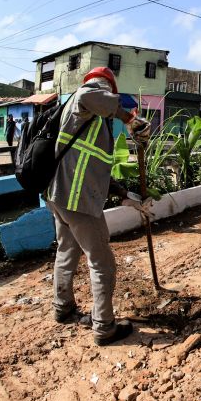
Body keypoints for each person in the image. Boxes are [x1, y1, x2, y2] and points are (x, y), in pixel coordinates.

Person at [46, 66, 151, 346]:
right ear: (105, 87)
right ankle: (104, 327)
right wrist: (131, 118)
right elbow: (97, 97)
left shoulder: (84, 121)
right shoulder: (87, 94)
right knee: (102, 262)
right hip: (77, 199)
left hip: (58, 195)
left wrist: (123, 193)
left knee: (67, 250)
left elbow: (95, 167)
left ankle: (62, 307)